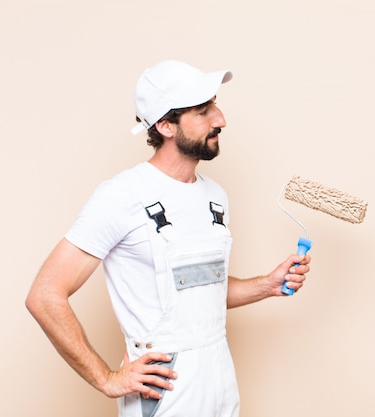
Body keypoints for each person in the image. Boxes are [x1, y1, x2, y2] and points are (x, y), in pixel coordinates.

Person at [25, 59, 311, 417]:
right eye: (203, 111)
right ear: (165, 125)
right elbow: (45, 294)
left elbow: (199, 293)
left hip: (220, 372)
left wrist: (267, 284)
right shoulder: (123, 195)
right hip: (167, 385)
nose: (220, 119)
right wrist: (106, 379)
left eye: (215, 106)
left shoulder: (215, 196)